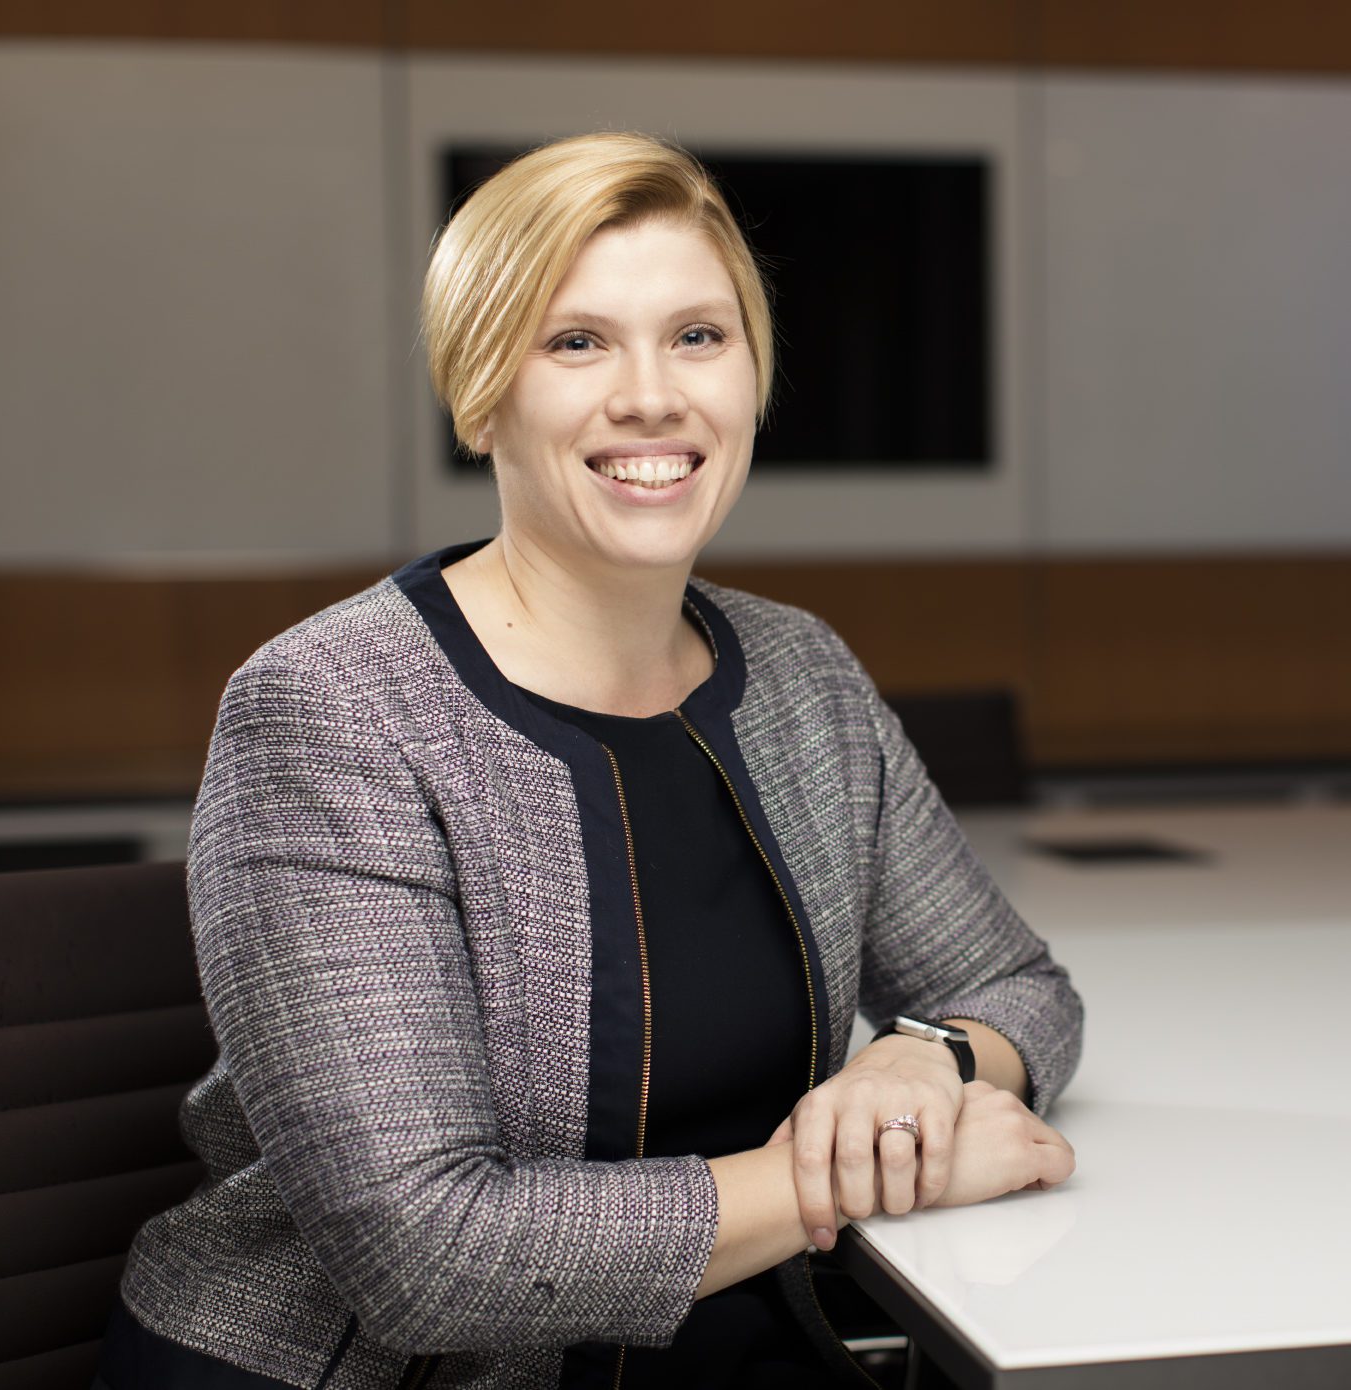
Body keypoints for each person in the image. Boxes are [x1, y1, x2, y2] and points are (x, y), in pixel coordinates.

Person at [95, 132, 1081, 1390]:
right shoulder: (334, 710)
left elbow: (1017, 984)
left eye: (698, 337)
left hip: (732, 1347)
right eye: (578, 342)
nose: (653, 396)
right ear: (480, 386)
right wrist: (856, 1170)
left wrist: (920, 1058)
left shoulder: (801, 676)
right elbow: (428, 1258)